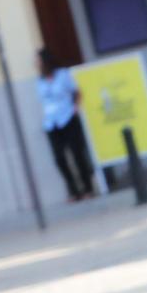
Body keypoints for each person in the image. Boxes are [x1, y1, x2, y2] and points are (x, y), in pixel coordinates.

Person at [37, 48, 98, 203]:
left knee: (77, 154)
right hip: (51, 123)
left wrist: (75, 108)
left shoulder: (62, 75)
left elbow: (76, 92)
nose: (37, 64)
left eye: (38, 60)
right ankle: (73, 189)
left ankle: (88, 187)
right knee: (59, 158)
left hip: (67, 118)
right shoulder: (40, 81)